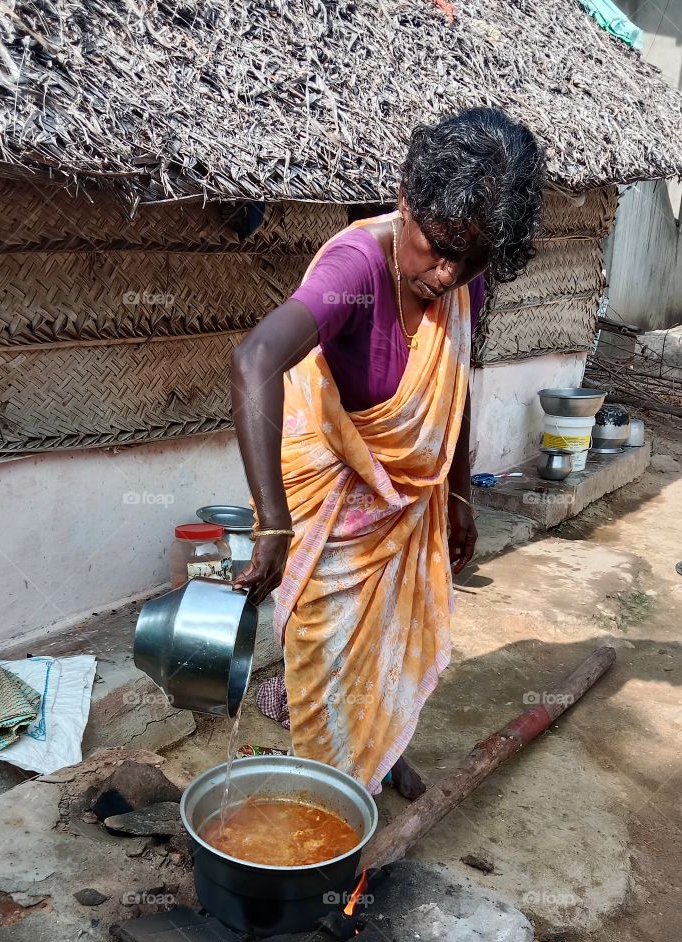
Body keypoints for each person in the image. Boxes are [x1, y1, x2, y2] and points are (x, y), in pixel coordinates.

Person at [231, 107, 543, 798]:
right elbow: (254, 358)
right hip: (332, 498)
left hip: (410, 501)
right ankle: (326, 796)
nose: (447, 273)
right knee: (325, 653)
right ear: (407, 201)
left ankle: (382, 747)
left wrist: (459, 496)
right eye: (437, 247)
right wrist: (271, 524)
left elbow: (453, 384)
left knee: (391, 639)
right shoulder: (357, 265)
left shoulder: (465, 275)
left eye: (471, 259)